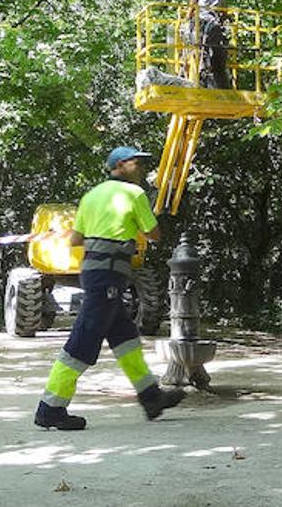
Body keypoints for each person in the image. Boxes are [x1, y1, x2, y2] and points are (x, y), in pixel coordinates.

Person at [34, 146, 185, 430]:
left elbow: (75, 240)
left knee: (126, 339)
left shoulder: (91, 196)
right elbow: (154, 234)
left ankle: (151, 397)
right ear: (120, 166)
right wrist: (136, 224)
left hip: (94, 273)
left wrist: (102, 228)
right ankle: (50, 408)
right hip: (109, 277)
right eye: (136, 164)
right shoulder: (134, 195)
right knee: (82, 340)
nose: (140, 169)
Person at [186, 0, 231, 89]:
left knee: (198, 52)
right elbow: (224, 12)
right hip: (217, 29)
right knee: (218, 61)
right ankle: (222, 83)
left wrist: (185, 22)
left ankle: (199, 77)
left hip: (202, 28)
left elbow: (190, 13)